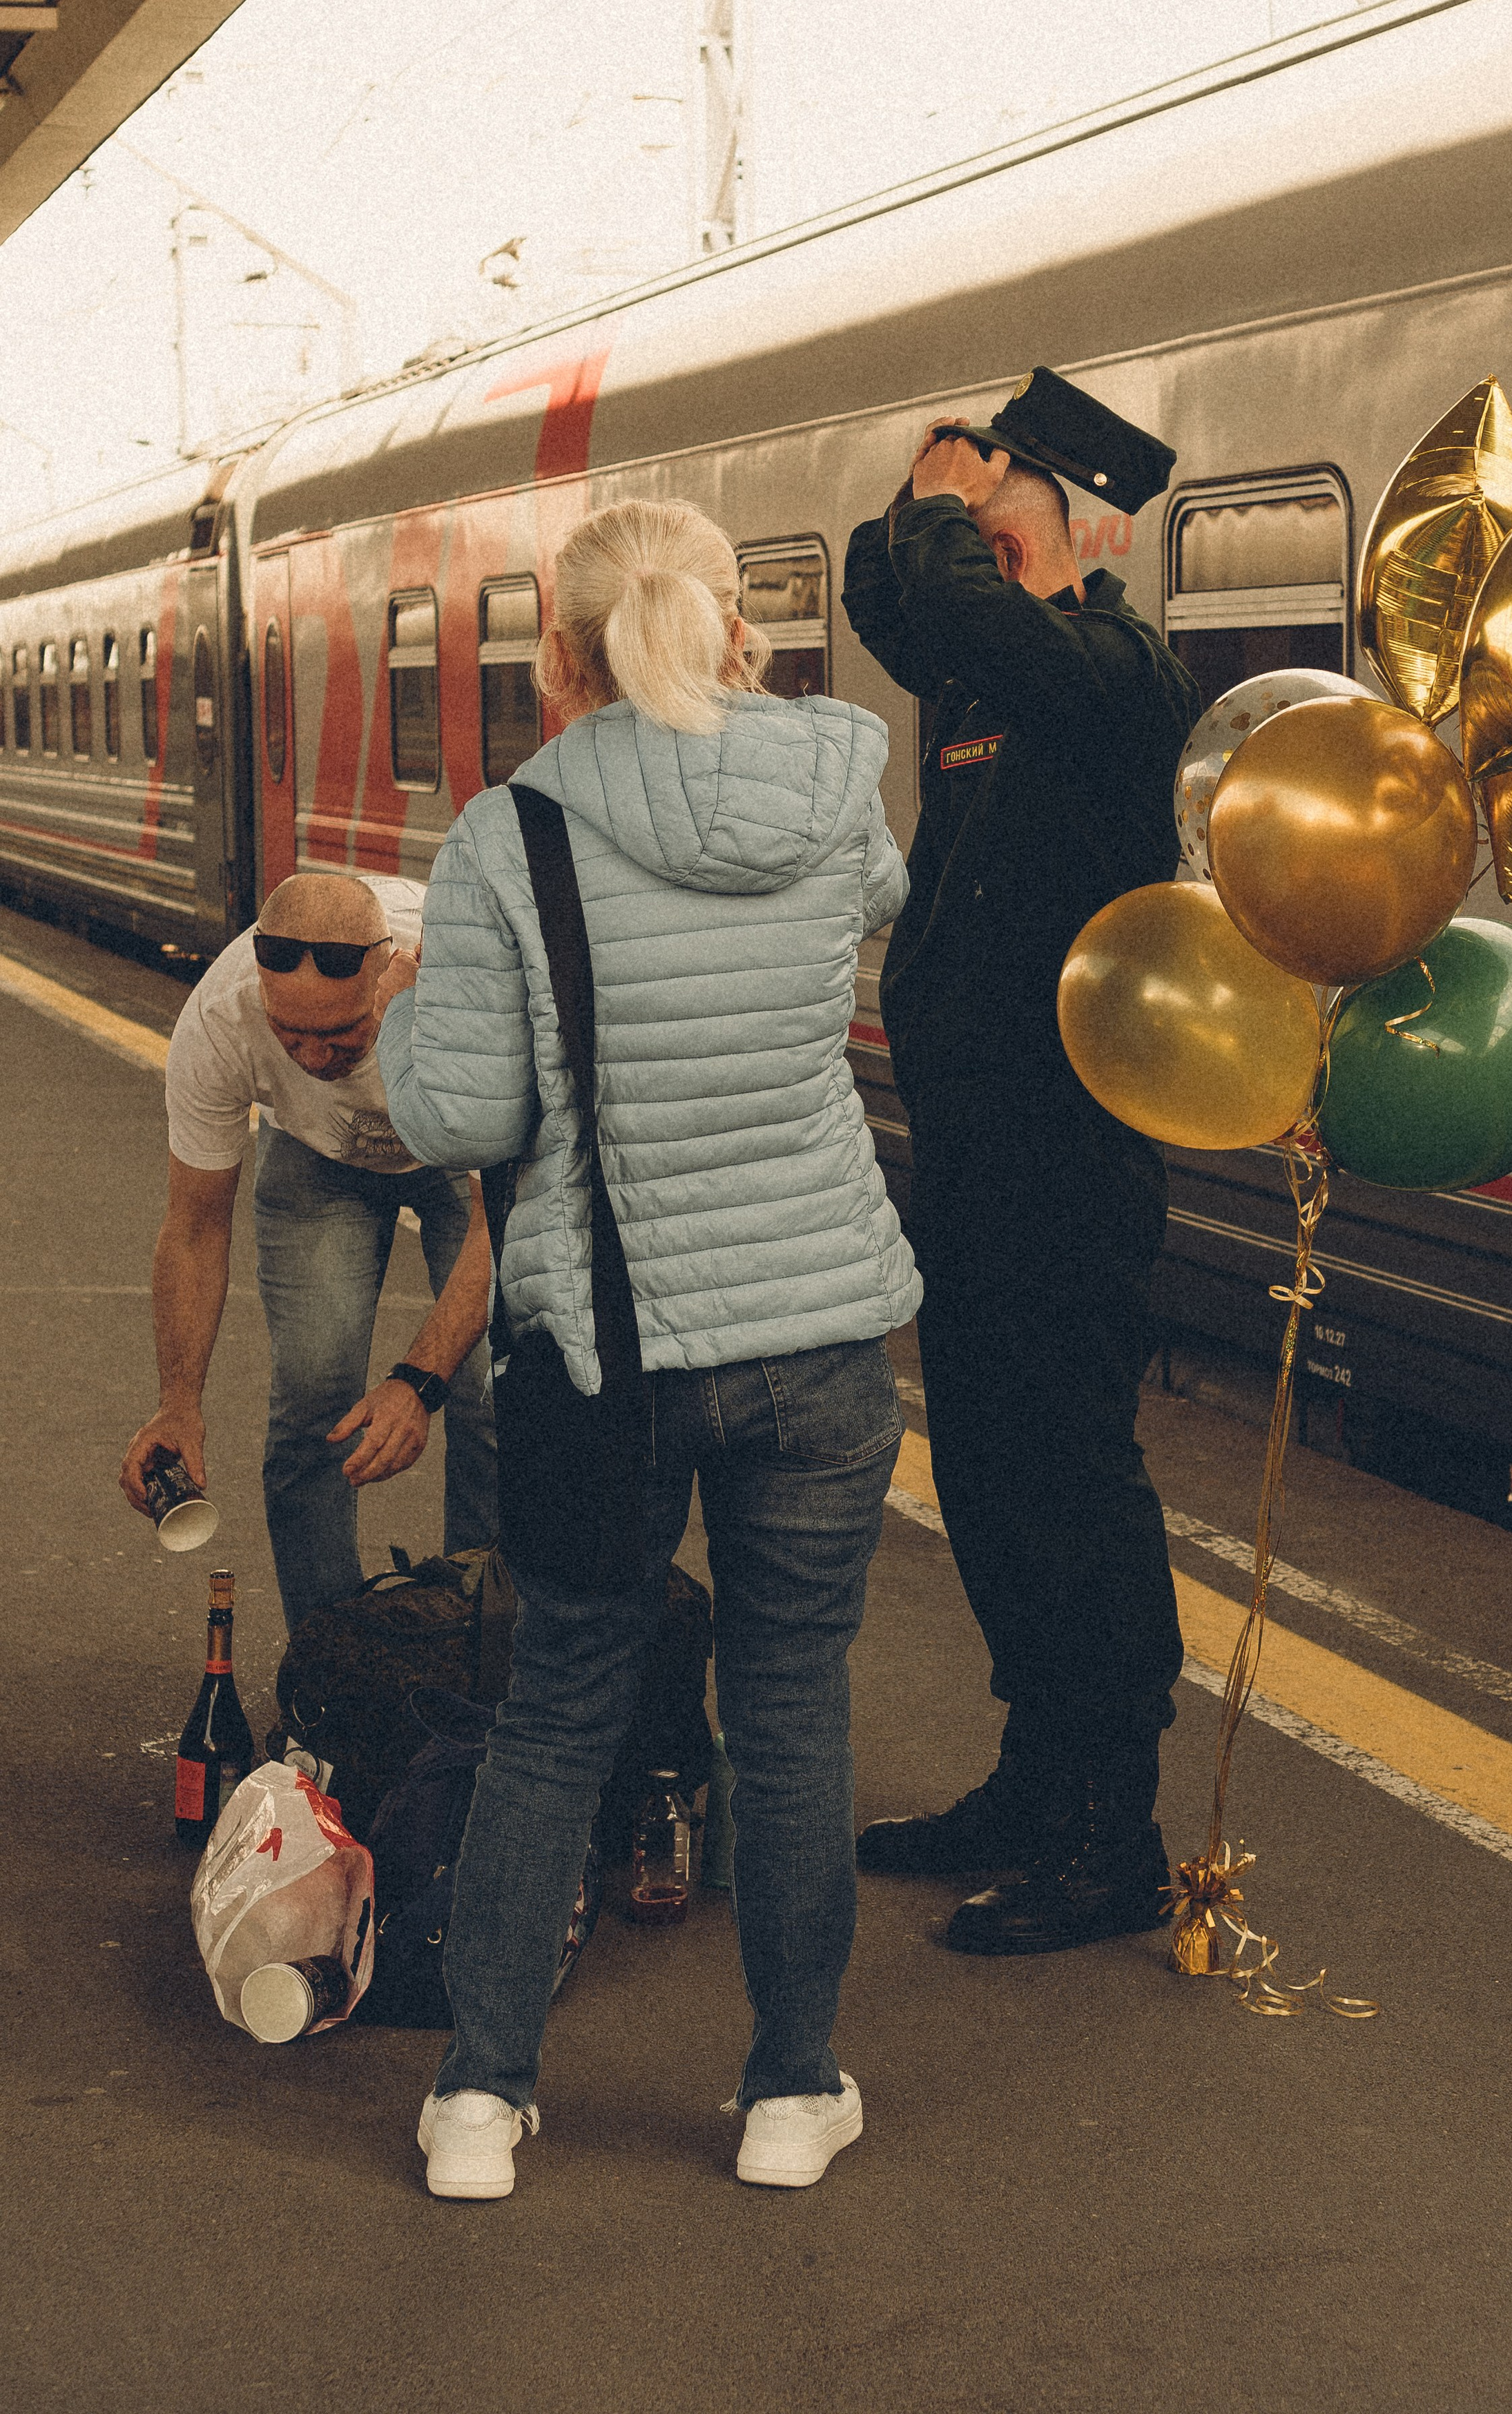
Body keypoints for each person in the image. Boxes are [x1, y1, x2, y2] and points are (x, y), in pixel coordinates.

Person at [374, 495, 918, 2201]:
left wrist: (421, 1013)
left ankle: (481, 2098)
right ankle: (785, 2093)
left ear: (563, 656)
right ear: (739, 631)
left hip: (609, 1347)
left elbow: (458, 1107)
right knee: (790, 1709)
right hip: (822, 1326)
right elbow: (862, 926)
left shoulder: (503, 833)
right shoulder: (839, 785)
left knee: (559, 1712)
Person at [840, 392, 1201, 1958]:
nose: (958, 573)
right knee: (984, 1471)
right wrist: (915, 499)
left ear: (1063, 546)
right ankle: (1026, 1774)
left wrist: (952, 519)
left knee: (1070, 1479)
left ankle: (1107, 1829)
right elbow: (881, 595)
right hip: (976, 1147)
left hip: (1073, 1153)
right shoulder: (979, 670)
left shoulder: (1110, 671)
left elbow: (960, 600)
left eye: (992, 543)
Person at [120, 871, 498, 1632]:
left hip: (462, 1151)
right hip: (316, 1158)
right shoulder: (219, 1020)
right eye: (289, 1034)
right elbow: (195, 1227)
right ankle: (332, 1663)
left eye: (340, 1035)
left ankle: (486, 1639)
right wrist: (179, 1403)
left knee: (495, 1390)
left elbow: (509, 1228)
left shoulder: (471, 993)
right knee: (313, 1397)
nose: (313, 1057)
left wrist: (418, 1380)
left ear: (394, 975)